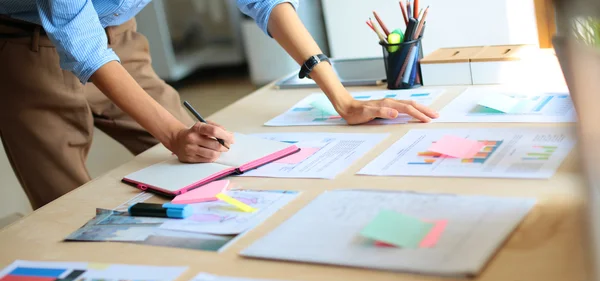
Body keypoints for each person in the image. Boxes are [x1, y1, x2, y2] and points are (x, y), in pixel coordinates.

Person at [0, 1, 439, 210]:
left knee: (205, 165)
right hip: (25, 44)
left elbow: (265, 3)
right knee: (68, 206)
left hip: (119, 34)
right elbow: (83, 47)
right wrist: (173, 133)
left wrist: (342, 98)